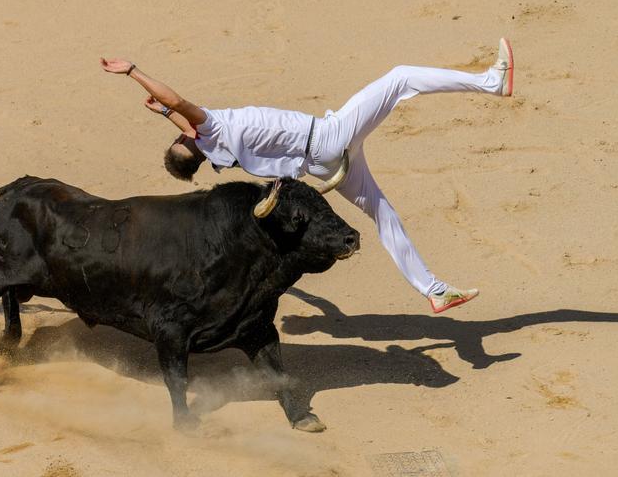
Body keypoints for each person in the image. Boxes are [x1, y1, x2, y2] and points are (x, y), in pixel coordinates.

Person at [100, 38, 514, 313]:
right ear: (191, 139)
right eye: (182, 134)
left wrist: (166, 113)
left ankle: (433, 290)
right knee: (401, 76)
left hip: (324, 164)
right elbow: (178, 102)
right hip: (330, 137)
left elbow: (179, 124)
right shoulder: (212, 128)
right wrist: (133, 71)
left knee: (383, 213)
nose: (182, 127)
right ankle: (491, 83)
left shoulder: (216, 151)